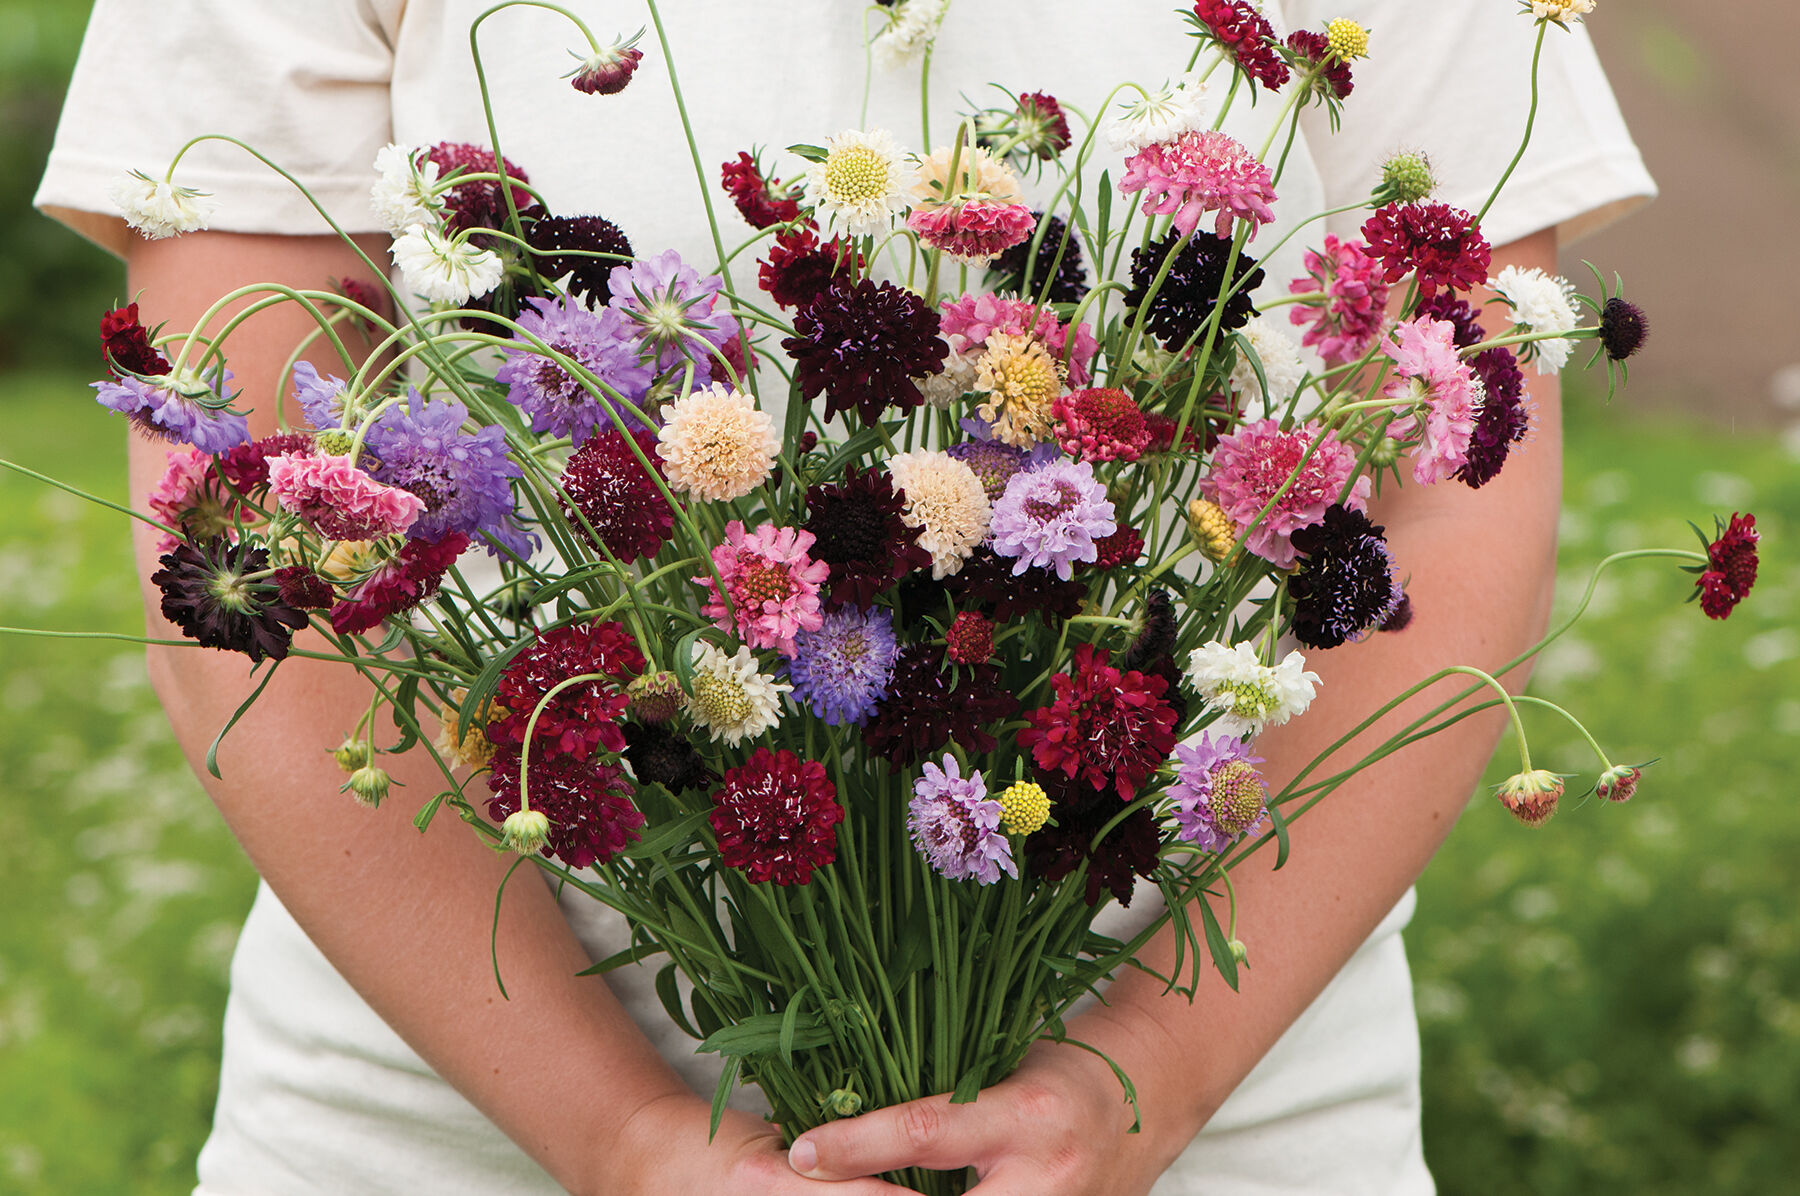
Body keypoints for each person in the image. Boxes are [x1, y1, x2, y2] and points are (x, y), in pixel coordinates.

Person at [36, 2, 1653, 1192]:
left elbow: (1458, 496)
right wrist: (625, 1138)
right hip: (453, 1135)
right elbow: (245, 536)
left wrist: (1138, 1080)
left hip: (1216, 1137)